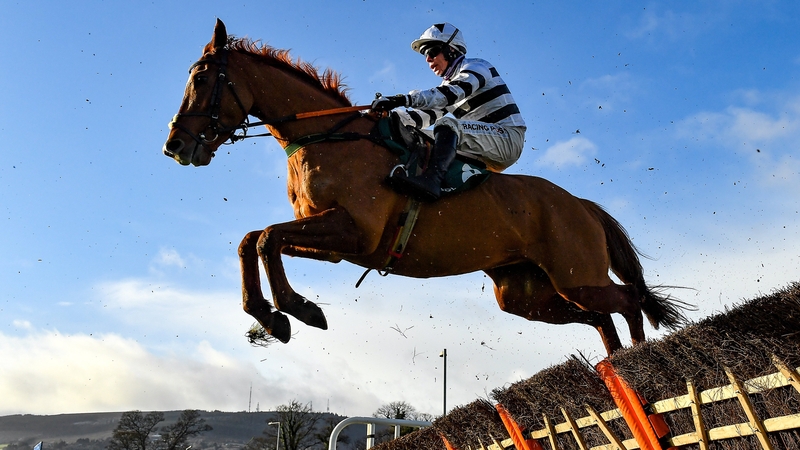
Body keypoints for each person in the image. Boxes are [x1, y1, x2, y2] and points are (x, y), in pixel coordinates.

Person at [371, 23, 526, 202]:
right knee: (418, 134)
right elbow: (421, 118)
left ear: (451, 50)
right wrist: (385, 116)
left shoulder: (477, 67)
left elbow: (450, 95)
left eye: (432, 51)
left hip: (508, 138)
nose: (428, 59)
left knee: (447, 125)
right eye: (424, 55)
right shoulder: (446, 88)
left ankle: (432, 181)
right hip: (482, 144)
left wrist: (403, 99)